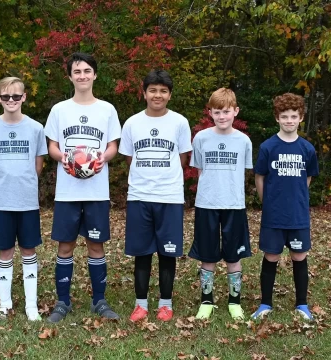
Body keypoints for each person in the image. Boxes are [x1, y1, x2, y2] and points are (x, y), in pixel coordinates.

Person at [44, 52, 121, 323]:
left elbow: (113, 145)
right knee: (65, 247)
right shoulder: (60, 110)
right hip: (67, 192)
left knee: (96, 246)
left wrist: (102, 159)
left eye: (87, 71)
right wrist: (64, 158)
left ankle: (99, 301)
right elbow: (52, 145)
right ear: (70, 76)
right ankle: (62, 302)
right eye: (77, 71)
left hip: (97, 191)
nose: (83, 76)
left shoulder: (107, 109)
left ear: (95, 74)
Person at [118, 70, 192, 322]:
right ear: (144, 93)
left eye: (162, 90)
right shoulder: (132, 123)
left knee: (167, 253)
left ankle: (165, 304)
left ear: (169, 95)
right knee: (142, 253)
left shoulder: (180, 122)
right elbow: (130, 158)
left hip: (169, 197)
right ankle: (140, 305)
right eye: (153, 90)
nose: (157, 95)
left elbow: (182, 158)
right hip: (139, 196)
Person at [0, 77, 47, 322]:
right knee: (5, 251)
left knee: (29, 250)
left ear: (24, 97)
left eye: (16, 96)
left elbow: (38, 165)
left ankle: (31, 306)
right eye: (6, 96)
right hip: (1, 202)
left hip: (27, 202)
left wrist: (23, 183)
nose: (11, 101)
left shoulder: (36, 128)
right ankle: (4, 305)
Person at [252, 93, 318, 321]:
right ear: (277, 118)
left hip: (298, 215)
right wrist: (267, 202)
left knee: (299, 257)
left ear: (300, 118)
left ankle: (302, 304)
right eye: (284, 116)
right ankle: (265, 304)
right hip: (274, 215)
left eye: (293, 116)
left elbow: (307, 178)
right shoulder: (268, 147)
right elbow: (259, 177)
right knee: (271, 256)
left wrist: (296, 199)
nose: (289, 120)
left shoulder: (307, 149)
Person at [188, 88, 253, 320]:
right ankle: (207, 300)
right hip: (207, 203)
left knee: (233, 256)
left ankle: (235, 302)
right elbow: (200, 168)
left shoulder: (244, 140)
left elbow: (243, 172)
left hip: (234, 204)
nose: (222, 116)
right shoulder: (201, 138)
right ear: (210, 112)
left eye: (226, 111)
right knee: (208, 254)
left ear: (235, 111)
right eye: (217, 112)